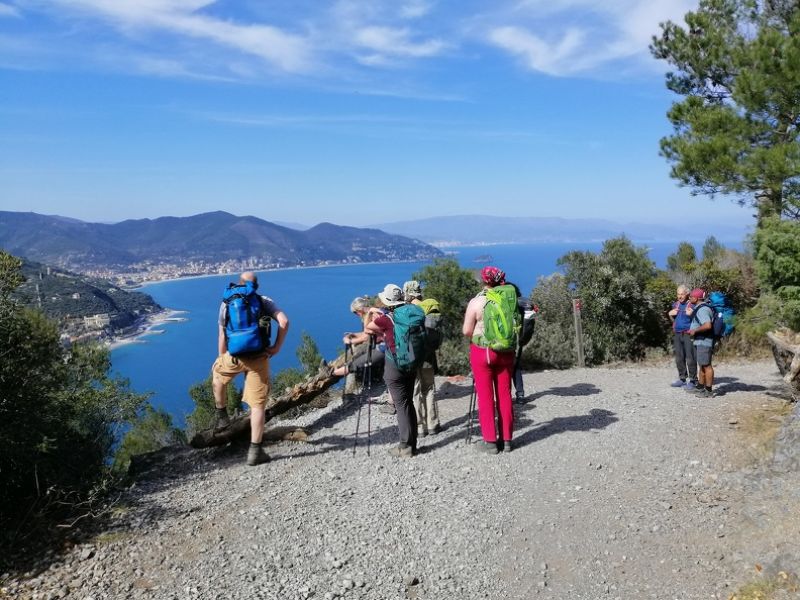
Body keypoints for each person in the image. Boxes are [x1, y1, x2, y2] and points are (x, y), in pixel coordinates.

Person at [211, 271, 290, 466]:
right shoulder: (263, 301)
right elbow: (284, 322)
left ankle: (222, 416)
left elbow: (222, 334)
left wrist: (222, 357)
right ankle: (255, 451)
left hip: (234, 356)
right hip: (259, 358)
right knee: (257, 406)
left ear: (239, 284)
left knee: (217, 377)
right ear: (256, 285)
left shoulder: (227, 302)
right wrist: (277, 347)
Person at [462, 266, 516, 454]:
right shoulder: (510, 300)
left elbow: (467, 331)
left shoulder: (476, 302)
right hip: (506, 352)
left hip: (482, 352)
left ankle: (491, 442)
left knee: (485, 397)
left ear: (484, 281)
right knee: (505, 394)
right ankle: (507, 440)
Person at [366, 284, 420, 457]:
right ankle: (412, 443)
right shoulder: (411, 312)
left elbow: (369, 328)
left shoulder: (385, 318)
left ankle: (405, 447)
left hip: (395, 366)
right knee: (408, 402)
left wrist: (370, 313)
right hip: (412, 362)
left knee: (401, 405)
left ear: (387, 301)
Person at [403, 280, 441, 437]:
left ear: (407, 293)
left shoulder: (407, 310)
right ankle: (433, 424)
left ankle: (419, 427)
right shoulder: (430, 307)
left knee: (415, 391)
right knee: (429, 388)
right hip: (428, 356)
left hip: (412, 357)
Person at [332, 296, 386, 388]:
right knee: (358, 356)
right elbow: (368, 333)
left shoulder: (373, 316)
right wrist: (354, 334)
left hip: (383, 347)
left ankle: (332, 373)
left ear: (359, 309)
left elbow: (367, 336)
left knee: (356, 363)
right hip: (382, 345)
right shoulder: (373, 313)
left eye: (355, 312)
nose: (356, 314)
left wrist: (351, 341)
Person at [686, 288, 715, 398]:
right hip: (700, 340)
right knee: (702, 365)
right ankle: (700, 388)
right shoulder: (699, 308)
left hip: (704, 341)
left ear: (696, 298)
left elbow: (707, 325)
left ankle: (709, 391)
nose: (689, 298)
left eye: (691, 296)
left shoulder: (703, 309)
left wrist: (694, 330)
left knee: (706, 366)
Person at [668, 285, 697, 390]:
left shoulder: (692, 305)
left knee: (690, 358)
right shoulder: (675, 305)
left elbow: (697, 320)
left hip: (688, 334)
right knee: (679, 358)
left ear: (687, 294)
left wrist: (692, 314)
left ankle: (693, 380)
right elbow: (675, 321)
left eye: (682, 294)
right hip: (677, 333)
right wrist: (670, 315)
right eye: (678, 294)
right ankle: (682, 379)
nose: (680, 296)